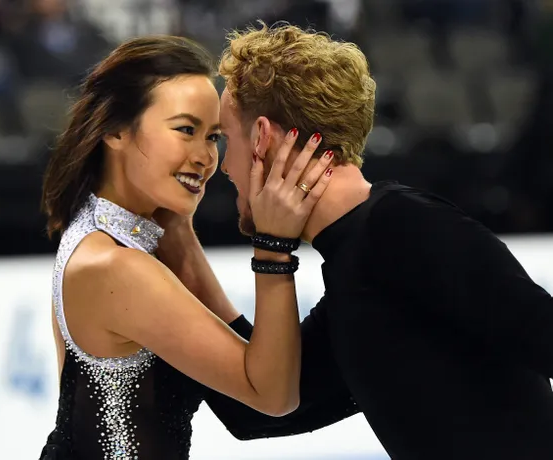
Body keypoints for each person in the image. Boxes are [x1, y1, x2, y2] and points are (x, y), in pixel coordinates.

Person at [155, 23, 553, 460]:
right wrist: (183, 246)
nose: (220, 165)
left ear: (262, 138)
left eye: (223, 138)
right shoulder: (356, 256)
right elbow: (260, 410)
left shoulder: (406, 227)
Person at [38, 35, 335, 460]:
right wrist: (273, 250)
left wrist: (180, 233)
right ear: (116, 130)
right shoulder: (118, 269)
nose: (205, 157)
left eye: (213, 137)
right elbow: (273, 398)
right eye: (185, 130)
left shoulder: (102, 231)